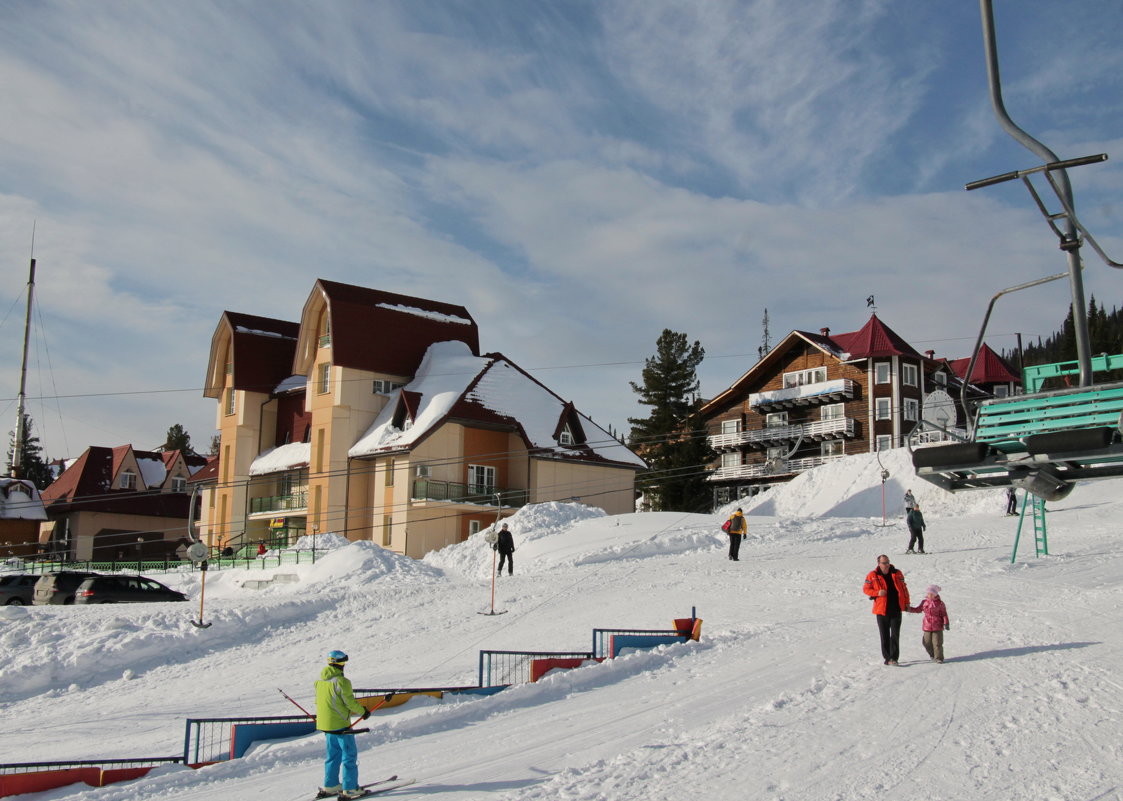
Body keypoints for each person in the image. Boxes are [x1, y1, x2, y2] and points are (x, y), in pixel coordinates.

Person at [315, 650, 370, 799]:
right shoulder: (342, 682)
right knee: (349, 755)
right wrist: (363, 711)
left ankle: (331, 785)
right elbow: (350, 703)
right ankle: (350, 788)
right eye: (343, 662)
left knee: (333, 755)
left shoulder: (320, 681)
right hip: (340, 725)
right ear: (341, 663)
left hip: (326, 725)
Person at [862, 555, 910, 665]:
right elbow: (866, 589)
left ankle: (894, 658)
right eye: (884, 563)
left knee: (895, 635)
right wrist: (877, 593)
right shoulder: (872, 575)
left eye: (887, 562)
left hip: (896, 608)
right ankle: (888, 658)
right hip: (881, 610)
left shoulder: (897, 573)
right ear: (879, 563)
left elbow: (904, 588)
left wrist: (907, 603)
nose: (887, 565)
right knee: (884, 635)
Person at [908, 584, 950, 663]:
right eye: (928, 593)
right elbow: (918, 609)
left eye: (931, 594)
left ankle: (939, 658)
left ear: (935, 594)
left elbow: (944, 614)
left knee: (937, 643)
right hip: (927, 625)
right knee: (926, 642)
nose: (929, 595)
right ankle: (932, 654)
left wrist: (946, 623)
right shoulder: (924, 602)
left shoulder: (940, 603)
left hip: (937, 625)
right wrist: (909, 609)